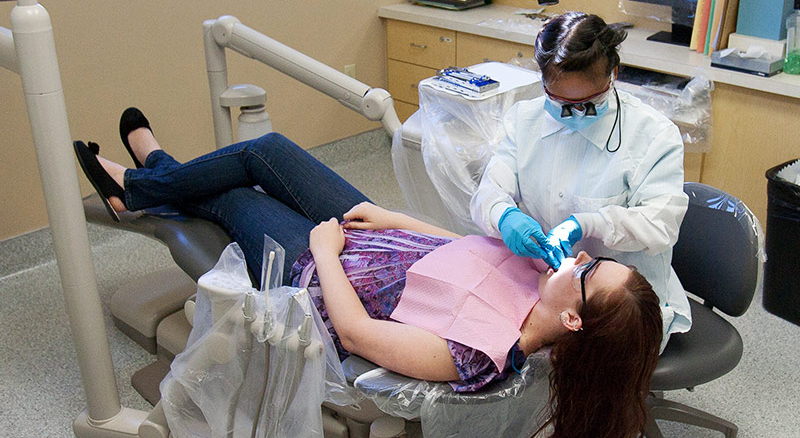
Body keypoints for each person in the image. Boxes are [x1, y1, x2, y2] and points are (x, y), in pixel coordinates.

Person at [74, 108, 661, 438]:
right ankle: (149, 176)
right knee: (265, 151)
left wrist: (325, 252)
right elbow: (462, 247)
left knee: (231, 197)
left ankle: (144, 178)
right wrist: (391, 216)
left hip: (322, 268)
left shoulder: (478, 354)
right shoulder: (540, 275)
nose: (580, 258)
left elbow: (354, 334)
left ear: (571, 320)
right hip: (375, 232)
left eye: (588, 275)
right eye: (596, 258)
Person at [470, 11, 691, 348]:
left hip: (618, 314)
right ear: (544, 82)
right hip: (547, 291)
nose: (572, 113)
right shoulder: (525, 121)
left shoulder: (653, 136)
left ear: (614, 75)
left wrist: (588, 223)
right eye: (560, 102)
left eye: (588, 104)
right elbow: (489, 192)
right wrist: (504, 216)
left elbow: (659, 225)